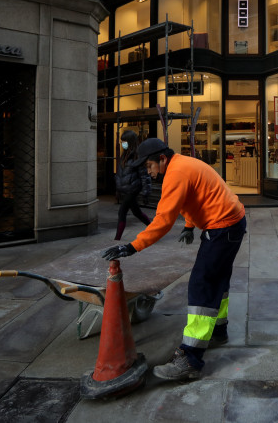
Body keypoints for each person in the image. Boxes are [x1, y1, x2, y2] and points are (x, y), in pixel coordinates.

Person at [102, 138, 247, 381]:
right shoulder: (184, 164)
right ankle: (218, 331)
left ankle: (190, 358)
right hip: (230, 223)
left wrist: (132, 246)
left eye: (149, 166)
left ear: (162, 159)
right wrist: (190, 225)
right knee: (218, 280)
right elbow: (197, 197)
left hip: (223, 227)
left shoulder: (176, 172)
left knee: (201, 284)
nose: (149, 172)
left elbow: (163, 220)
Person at [113, 130, 151, 240]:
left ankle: (117, 239)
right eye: (122, 141)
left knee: (122, 212)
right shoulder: (124, 155)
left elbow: (145, 176)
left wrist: (146, 193)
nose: (123, 143)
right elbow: (120, 174)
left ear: (131, 142)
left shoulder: (138, 156)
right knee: (137, 212)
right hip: (126, 188)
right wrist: (118, 188)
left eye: (125, 141)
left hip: (133, 188)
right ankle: (154, 229)